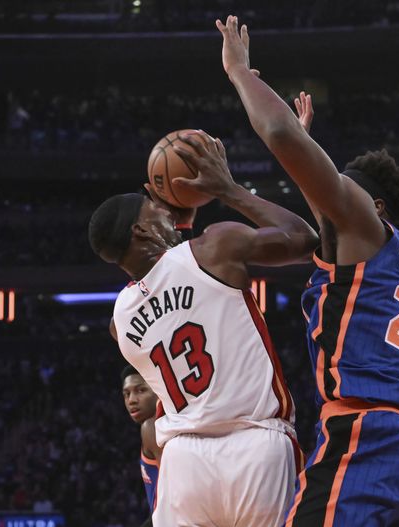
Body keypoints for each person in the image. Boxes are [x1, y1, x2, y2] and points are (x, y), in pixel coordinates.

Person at [216, 15, 399, 526]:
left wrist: (241, 73)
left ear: (377, 205)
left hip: (369, 437)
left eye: (342, 186)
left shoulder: (363, 222)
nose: (332, 192)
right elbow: (315, 224)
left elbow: (275, 131)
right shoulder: (392, 254)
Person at [88, 133, 318, 527]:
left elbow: (166, 283)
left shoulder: (120, 321)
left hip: (183, 464)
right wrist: (227, 190)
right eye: (154, 210)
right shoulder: (214, 247)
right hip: (254, 446)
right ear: (142, 232)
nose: (165, 211)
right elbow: (304, 240)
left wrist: (177, 225)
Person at [121, 364, 162, 527]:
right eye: (126, 394)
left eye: (141, 390)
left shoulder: (151, 427)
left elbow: (175, 493)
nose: (131, 400)